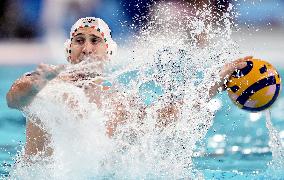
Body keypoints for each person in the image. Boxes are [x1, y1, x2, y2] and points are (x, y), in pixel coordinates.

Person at [6, 17, 250, 157]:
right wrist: (40, 81)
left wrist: (215, 83)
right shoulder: (48, 87)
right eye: (79, 41)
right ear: (68, 51)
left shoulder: (119, 102)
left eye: (95, 41)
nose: (87, 48)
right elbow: (15, 98)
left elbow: (165, 117)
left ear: (108, 51)